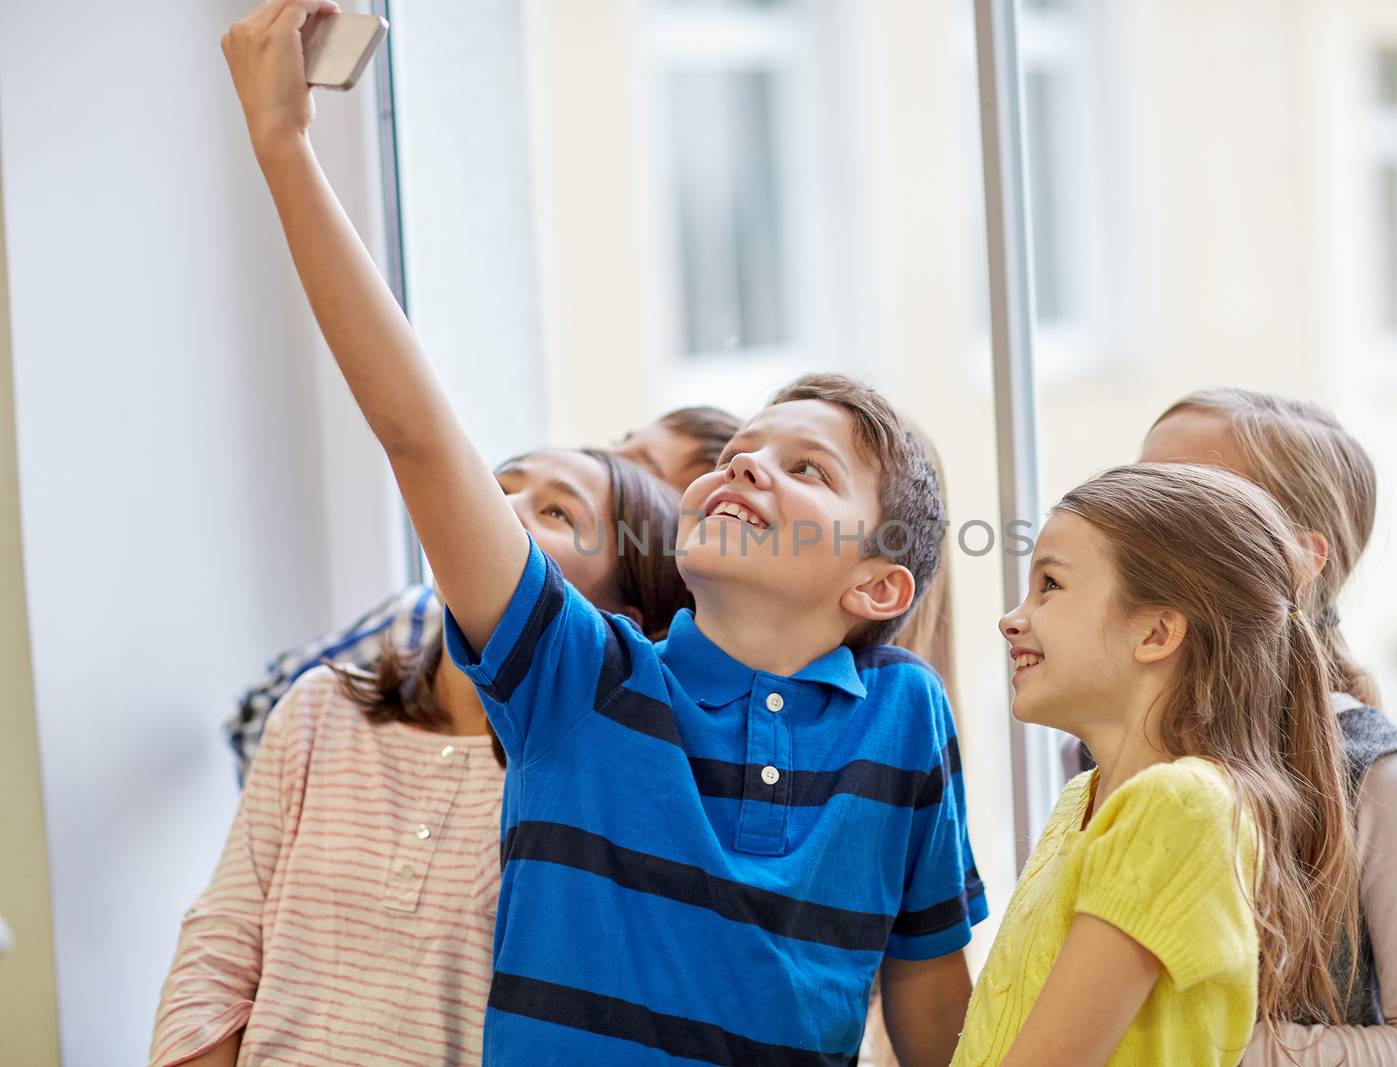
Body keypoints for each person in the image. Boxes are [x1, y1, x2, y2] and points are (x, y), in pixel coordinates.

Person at [220, 6, 983, 1062]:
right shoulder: (580, 676)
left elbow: (932, 1001)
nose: (745, 463)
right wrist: (284, 146)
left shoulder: (907, 717)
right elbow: (417, 437)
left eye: (806, 468)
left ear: (876, 588)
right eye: (738, 450)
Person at [149, 450, 691, 1066]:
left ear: (619, 626)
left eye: (556, 510)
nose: (496, 510)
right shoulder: (319, 708)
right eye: (497, 487)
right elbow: (218, 944)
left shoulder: (590, 783)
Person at [954, 463, 1361, 1065]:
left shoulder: (1180, 806)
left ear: (1158, 631)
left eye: (1051, 587)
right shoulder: (1083, 800)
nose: (1012, 618)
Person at [1141, 388, 1397, 1064]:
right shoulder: (1092, 746)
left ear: (1295, 561)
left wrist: (1199, 1044)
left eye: (1184, 495)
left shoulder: (1376, 778)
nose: (1135, 518)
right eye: (1139, 483)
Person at [225, 405, 740, 779]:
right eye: (500, 484)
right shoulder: (323, 704)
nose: (605, 459)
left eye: (642, 470)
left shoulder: (580, 766)